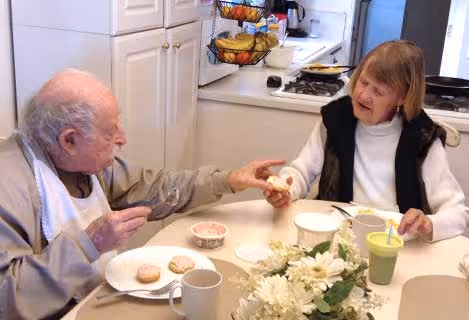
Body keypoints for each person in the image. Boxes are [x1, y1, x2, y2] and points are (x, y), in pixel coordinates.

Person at [0, 69, 285, 319]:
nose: (123, 138)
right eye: (110, 132)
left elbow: (154, 188)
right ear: (70, 140)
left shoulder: (84, 162)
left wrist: (228, 180)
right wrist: (88, 243)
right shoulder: (10, 187)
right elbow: (7, 300)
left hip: (97, 299)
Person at [264, 40, 469, 242]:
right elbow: (301, 171)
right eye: (363, 82)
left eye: (378, 91)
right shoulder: (337, 118)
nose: (363, 95)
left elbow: (458, 212)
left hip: (393, 242)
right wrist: (286, 189)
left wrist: (429, 223)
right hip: (337, 235)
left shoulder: (422, 136)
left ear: (402, 98)